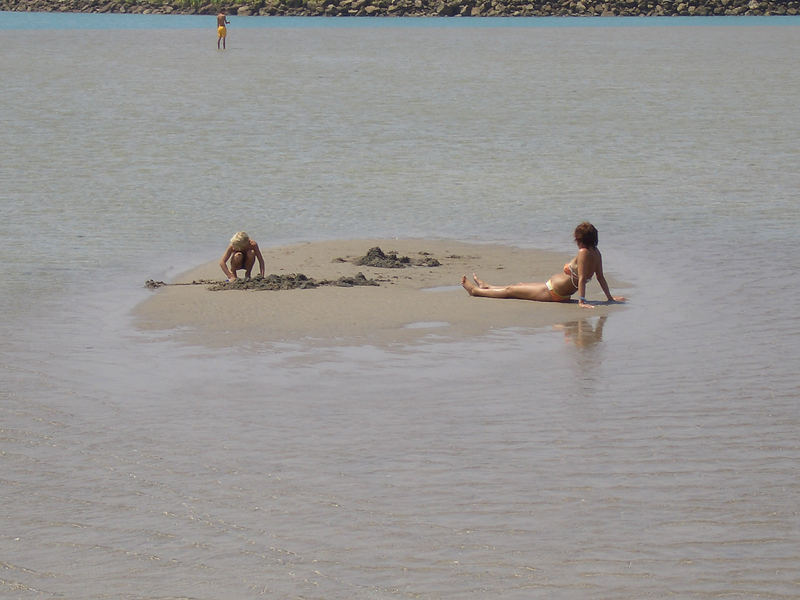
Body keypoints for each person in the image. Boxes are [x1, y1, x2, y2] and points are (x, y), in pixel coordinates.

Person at [461, 222, 626, 309]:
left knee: (511, 291)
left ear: (580, 239)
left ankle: (475, 291)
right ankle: (487, 286)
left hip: (553, 292)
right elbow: (600, 277)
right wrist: (609, 298)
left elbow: (582, 279)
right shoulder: (596, 252)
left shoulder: (583, 253)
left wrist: (582, 301)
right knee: (518, 286)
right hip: (553, 289)